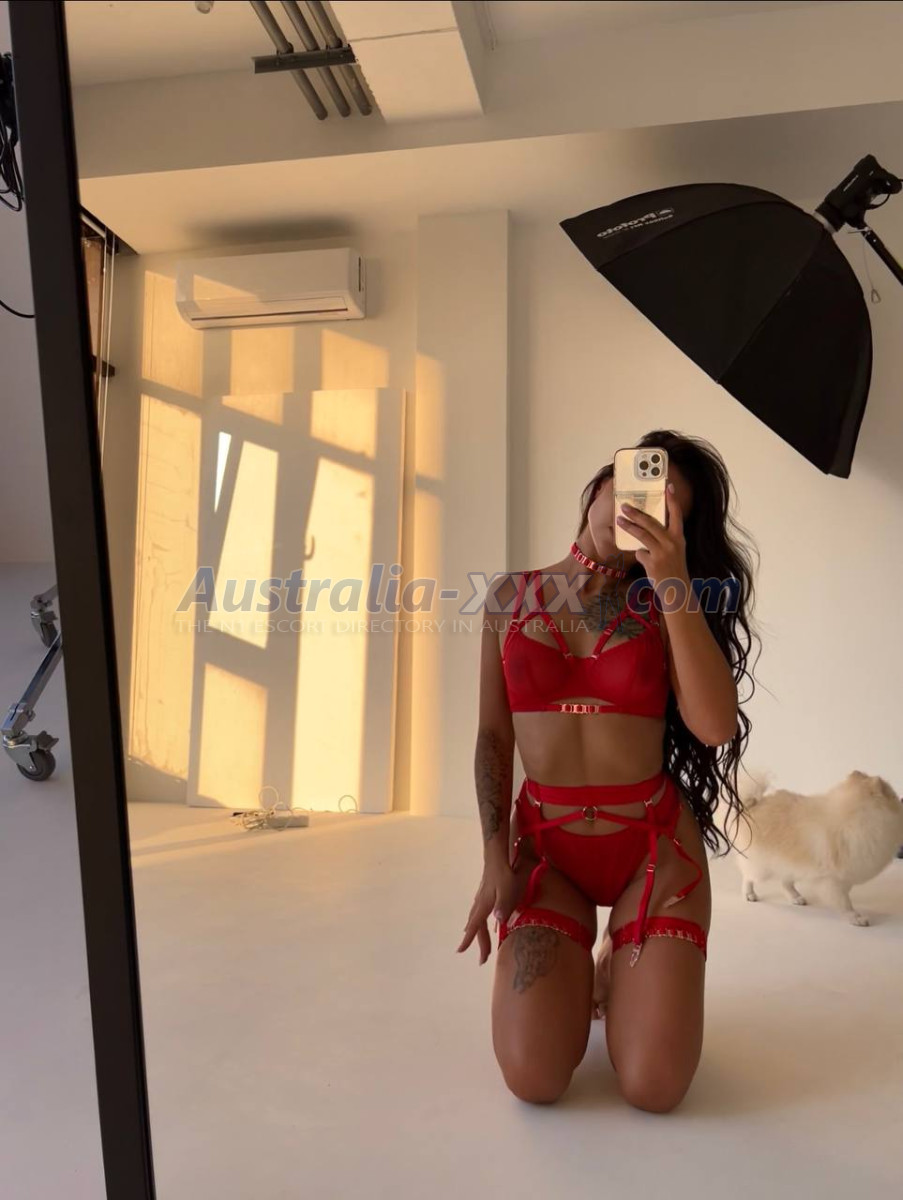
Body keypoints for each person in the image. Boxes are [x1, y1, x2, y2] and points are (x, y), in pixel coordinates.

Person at [457, 429, 759, 1111]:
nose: (637, 507)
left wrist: (672, 580)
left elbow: (715, 727)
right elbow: (492, 737)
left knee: (654, 1088)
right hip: (548, 854)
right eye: (633, 485)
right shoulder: (510, 597)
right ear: (598, 486)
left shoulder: (665, 603)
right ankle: (597, 967)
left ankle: (619, 963)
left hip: (654, 854)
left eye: (664, 507)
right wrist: (494, 858)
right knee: (533, 1079)